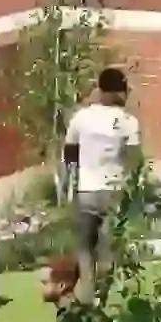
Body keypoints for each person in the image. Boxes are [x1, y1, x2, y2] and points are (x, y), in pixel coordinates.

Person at [60, 66, 140, 262]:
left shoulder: (81, 117)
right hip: (114, 193)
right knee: (109, 251)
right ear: (118, 92)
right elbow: (135, 160)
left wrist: (66, 188)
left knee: (85, 251)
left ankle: (88, 289)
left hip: (87, 192)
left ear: (100, 90)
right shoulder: (128, 121)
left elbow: (69, 156)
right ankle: (105, 288)